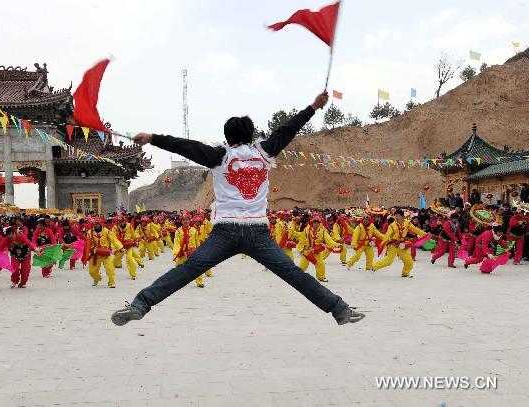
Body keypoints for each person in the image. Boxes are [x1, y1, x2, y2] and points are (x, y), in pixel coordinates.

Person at [111, 91, 365, 326]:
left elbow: (184, 145)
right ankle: (339, 310)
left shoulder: (219, 156)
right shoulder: (265, 152)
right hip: (257, 232)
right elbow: (289, 128)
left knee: (188, 270)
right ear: (251, 134)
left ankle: (141, 305)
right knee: (292, 273)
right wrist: (313, 107)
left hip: (225, 232)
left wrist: (153, 138)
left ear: (227, 136)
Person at [372, 209, 427, 277]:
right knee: (388, 261)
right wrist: (382, 244)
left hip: (402, 245)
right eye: (395, 216)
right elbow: (386, 236)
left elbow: (415, 229)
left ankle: (405, 272)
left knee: (409, 261)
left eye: (398, 216)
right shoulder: (392, 226)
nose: (396, 217)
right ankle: (374, 266)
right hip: (393, 245)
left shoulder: (407, 223)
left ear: (402, 216)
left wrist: (424, 234)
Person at [82, 218, 123, 288]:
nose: (95, 225)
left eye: (96, 224)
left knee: (110, 269)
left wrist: (120, 247)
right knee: (92, 272)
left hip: (105, 253)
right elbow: (88, 244)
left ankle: (111, 282)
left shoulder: (107, 231)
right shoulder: (89, 232)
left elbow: (114, 240)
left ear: (100, 224)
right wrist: (86, 255)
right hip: (95, 254)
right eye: (94, 224)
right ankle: (97, 278)